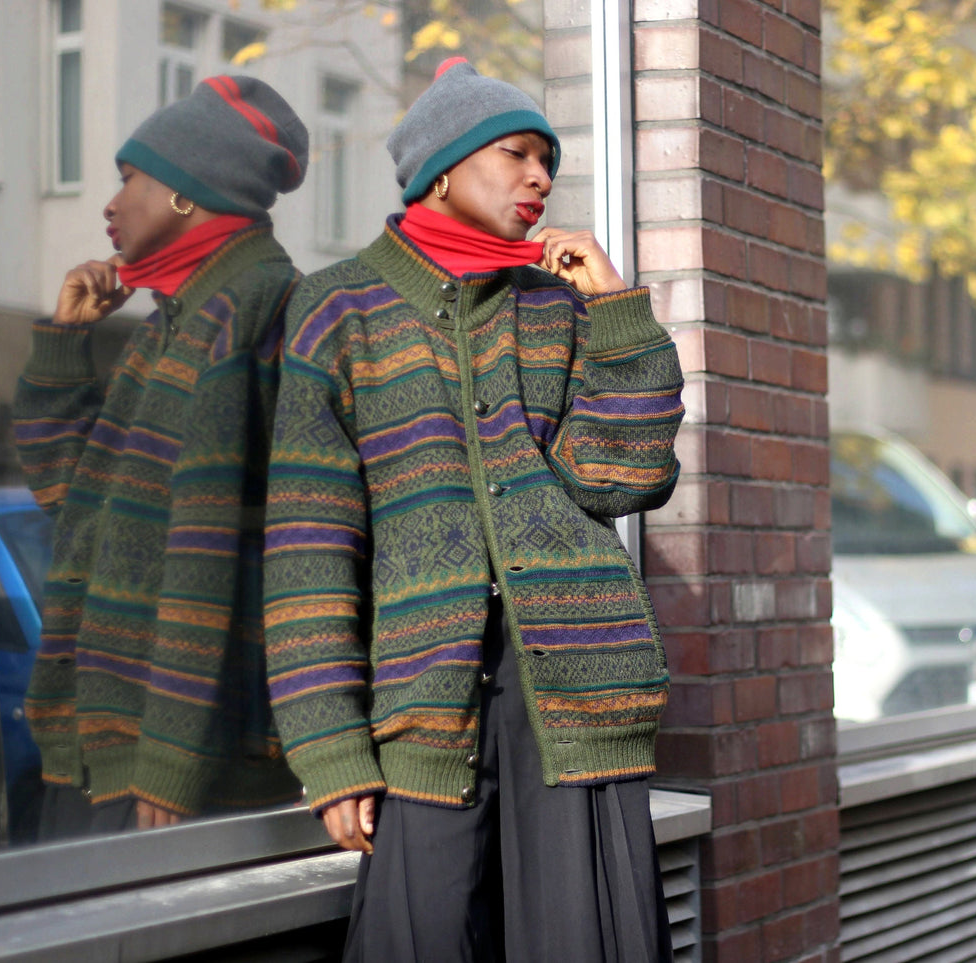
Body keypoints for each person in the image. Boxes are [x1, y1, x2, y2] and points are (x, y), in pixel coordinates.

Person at [263, 57, 685, 961]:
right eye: (515, 154)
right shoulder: (337, 309)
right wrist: (331, 748)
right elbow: (307, 550)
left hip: (574, 702)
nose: (539, 178)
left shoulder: (554, 306)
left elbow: (620, 479)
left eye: (549, 161)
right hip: (424, 704)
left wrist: (614, 311)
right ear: (439, 170)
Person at [13, 76, 309, 836]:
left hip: (171, 768)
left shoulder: (249, 309)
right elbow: (69, 498)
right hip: (117, 743)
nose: (110, 205)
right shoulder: (176, 316)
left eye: (128, 179)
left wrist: (173, 757)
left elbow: (218, 555)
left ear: (186, 192)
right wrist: (64, 341)